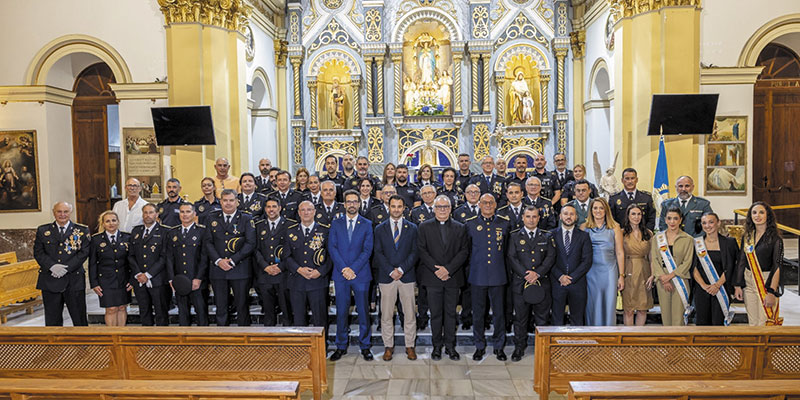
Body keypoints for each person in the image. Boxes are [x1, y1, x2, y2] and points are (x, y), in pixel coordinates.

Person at [418, 195, 469, 361]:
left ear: (450, 208)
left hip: (452, 278)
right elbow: (422, 251)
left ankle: (450, 346)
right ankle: (436, 347)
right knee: (435, 314)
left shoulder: (460, 227)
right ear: (434, 209)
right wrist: (437, 270)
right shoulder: (424, 227)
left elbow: (464, 251)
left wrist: (448, 269)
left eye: (445, 207)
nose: (442, 210)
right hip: (432, 278)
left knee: (450, 314)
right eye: (439, 207)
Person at [328, 190, 374, 361]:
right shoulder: (336, 223)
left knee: (363, 311)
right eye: (349, 201)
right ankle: (341, 346)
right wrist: (344, 269)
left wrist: (352, 269)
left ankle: (365, 346)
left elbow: (367, 250)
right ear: (344, 204)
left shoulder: (367, 224)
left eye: (355, 201)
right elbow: (332, 248)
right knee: (341, 311)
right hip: (341, 275)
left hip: (360, 274)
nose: (352, 204)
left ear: (359, 204)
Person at [374, 195, 419, 361]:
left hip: (406, 276)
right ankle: (388, 346)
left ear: (404, 208)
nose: (396, 209)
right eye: (393, 206)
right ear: (389, 207)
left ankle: (410, 345)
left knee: (409, 314)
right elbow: (378, 252)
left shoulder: (412, 228)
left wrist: (401, 269)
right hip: (387, 278)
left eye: (399, 206)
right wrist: (390, 271)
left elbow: (415, 252)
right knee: (386, 315)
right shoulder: (380, 229)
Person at [507, 206, 556, 361]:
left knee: (542, 319)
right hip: (521, 284)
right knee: (520, 319)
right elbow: (512, 257)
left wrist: (537, 273)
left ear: (539, 218)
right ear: (523, 218)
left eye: (534, 216)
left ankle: (542, 349)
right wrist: (526, 274)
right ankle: (519, 348)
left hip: (541, 283)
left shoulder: (547, 236)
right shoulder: (514, 236)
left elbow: (550, 257)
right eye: (528, 216)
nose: (531, 220)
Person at [465, 194, 510, 361]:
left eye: (491, 202)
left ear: (496, 205)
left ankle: (499, 346)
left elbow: (506, 251)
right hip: (478, 275)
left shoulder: (504, 223)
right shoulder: (470, 224)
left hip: (498, 275)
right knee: (478, 314)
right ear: (479, 204)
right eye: (484, 202)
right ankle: (479, 346)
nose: (488, 205)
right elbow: (468, 250)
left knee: (499, 314)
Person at [33, 201, 91, 326]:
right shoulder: (43, 230)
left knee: (79, 319)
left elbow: (84, 253)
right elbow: (38, 252)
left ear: (70, 212)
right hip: (50, 279)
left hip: (74, 280)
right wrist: (52, 266)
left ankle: (83, 339)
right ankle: (55, 340)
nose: (62, 214)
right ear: (54, 213)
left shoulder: (81, 230)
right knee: (52, 320)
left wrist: (66, 268)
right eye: (59, 211)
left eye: (65, 212)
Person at [205, 189, 256, 326]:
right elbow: (208, 242)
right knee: (221, 306)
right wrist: (218, 261)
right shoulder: (211, 217)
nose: (228, 203)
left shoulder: (246, 218)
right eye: (225, 200)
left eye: (231, 200)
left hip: (240, 268)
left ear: (237, 202)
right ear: (220, 202)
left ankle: (244, 335)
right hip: (218, 269)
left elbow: (250, 243)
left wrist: (233, 260)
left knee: (242, 306)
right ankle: (222, 335)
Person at [733, 202, 784, 326]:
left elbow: (777, 266)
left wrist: (772, 292)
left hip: (766, 282)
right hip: (748, 282)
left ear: (768, 215)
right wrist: (738, 285)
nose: (757, 216)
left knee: (765, 321)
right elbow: (741, 261)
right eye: (754, 213)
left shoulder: (776, 239)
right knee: (753, 322)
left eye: (761, 212)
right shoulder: (747, 236)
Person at [285, 201, 332, 332]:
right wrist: (298, 269)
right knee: (299, 320)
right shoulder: (290, 231)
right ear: (299, 213)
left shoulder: (325, 231)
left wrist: (320, 271)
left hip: (317, 281)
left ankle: (322, 344)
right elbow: (286, 256)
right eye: (303, 210)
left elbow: (331, 256)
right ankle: (302, 345)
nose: (306, 212)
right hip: (297, 281)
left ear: (314, 212)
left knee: (320, 319)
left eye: (309, 209)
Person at [582, 198, 625, 326]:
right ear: (591, 210)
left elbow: (620, 252)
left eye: (601, 208)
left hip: (609, 271)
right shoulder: (584, 227)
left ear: (606, 210)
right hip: (590, 272)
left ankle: (608, 334)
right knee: (592, 304)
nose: (598, 211)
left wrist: (621, 276)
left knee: (609, 303)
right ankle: (593, 334)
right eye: (595, 208)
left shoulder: (615, 227)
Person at [166, 203, 209, 326]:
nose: (185, 215)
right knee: (183, 314)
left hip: (197, 280)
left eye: (188, 211)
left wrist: (199, 278)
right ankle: (184, 337)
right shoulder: (172, 233)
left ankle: (204, 337)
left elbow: (204, 257)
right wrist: (171, 278)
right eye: (182, 212)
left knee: (201, 313)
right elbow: (169, 257)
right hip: (179, 280)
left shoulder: (202, 231)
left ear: (194, 214)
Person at [128, 203, 170, 326]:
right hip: (139, 280)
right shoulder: (136, 231)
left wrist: (148, 274)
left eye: (151, 212)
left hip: (157, 279)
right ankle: (146, 336)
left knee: (161, 312)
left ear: (157, 214)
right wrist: (138, 273)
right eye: (145, 212)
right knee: (144, 311)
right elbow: (131, 255)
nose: (148, 215)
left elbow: (164, 257)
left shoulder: (165, 231)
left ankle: (162, 337)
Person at [650, 207, 693, 326]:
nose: (672, 222)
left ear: (680, 220)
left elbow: (687, 262)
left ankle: (678, 339)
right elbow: (655, 260)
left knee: (678, 317)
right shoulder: (657, 238)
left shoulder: (688, 239)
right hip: (662, 281)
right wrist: (663, 278)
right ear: (665, 220)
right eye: (669, 218)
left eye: (675, 218)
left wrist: (670, 276)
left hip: (680, 280)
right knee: (666, 316)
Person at [253, 197, 293, 326]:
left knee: (287, 311)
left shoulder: (290, 225)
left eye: (274, 206)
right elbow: (255, 249)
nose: (271, 210)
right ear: (265, 209)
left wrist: (281, 267)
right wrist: (265, 266)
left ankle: (288, 336)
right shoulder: (258, 226)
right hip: (265, 274)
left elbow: (292, 250)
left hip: (283, 274)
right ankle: (269, 336)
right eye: (268, 207)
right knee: (268, 313)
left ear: (280, 208)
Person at [693, 212, 737, 326]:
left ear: (718, 223)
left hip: (721, 288)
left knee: (719, 322)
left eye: (711, 222)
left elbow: (731, 266)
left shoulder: (729, 243)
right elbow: (693, 267)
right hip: (702, 289)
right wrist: (704, 286)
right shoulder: (696, 243)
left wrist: (717, 285)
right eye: (704, 223)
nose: (707, 226)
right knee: (702, 323)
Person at [551, 204, 592, 326]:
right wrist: (560, 276)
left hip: (577, 283)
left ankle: (576, 339)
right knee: (557, 319)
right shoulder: (551, 235)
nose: (568, 217)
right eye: (565, 214)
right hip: (557, 283)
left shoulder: (584, 236)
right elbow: (548, 259)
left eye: (571, 214)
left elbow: (587, 261)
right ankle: (557, 339)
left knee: (577, 320)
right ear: (560, 216)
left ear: (576, 217)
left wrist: (572, 278)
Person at [89, 210, 132, 326]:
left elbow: (132, 260)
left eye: (113, 220)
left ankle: (121, 333)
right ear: (103, 224)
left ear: (118, 222)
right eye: (107, 221)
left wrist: (132, 279)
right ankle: (112, 334)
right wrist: (94, 283)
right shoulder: (96, 239)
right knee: (111, 309)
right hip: (105, 280)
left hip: (123, 279)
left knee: (122, 307)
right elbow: (92, 263)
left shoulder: (127, 237)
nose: (111, 223)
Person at [620, 204, 654, 326]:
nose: (636, 217)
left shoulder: (648, 233)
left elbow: (652, 256)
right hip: (627, 270)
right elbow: (618, 254)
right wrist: (620, 275)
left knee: (642, 308)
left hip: (644, 271)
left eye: (639, 214)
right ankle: (629, 336)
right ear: (628, 216)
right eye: (633, 214)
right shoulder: (621, 233)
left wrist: (653, 274)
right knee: (628, 309)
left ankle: (639, 335)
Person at [410, 184, 437, 330]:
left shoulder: (441, 208)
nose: (427, 195)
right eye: (424, 193)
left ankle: (437, 317)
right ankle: (422, 316)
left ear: (435, 194)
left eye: (430, 192)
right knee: (422, 289)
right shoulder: (416, 212)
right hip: (422, 258)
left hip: (439, 257)